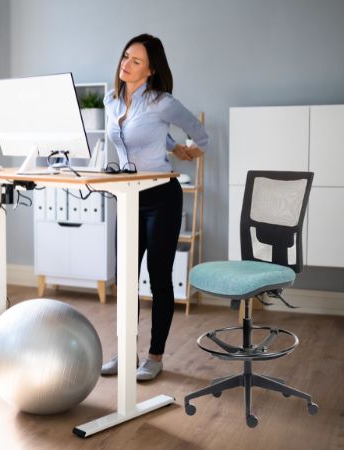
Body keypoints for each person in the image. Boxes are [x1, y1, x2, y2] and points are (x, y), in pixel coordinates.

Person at [101, 33, 209, 381]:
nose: (126, 64)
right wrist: (172, 145)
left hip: (162, 196)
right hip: (129, 197)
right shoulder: (111, 101)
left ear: (150, 71)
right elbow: (146, 135)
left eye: (136, 61)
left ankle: (155, 356)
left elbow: (199, 133)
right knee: (125, 279)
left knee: (160, 280)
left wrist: (188, 148)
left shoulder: (163, 101)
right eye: (125, 56)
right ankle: (125, 352)